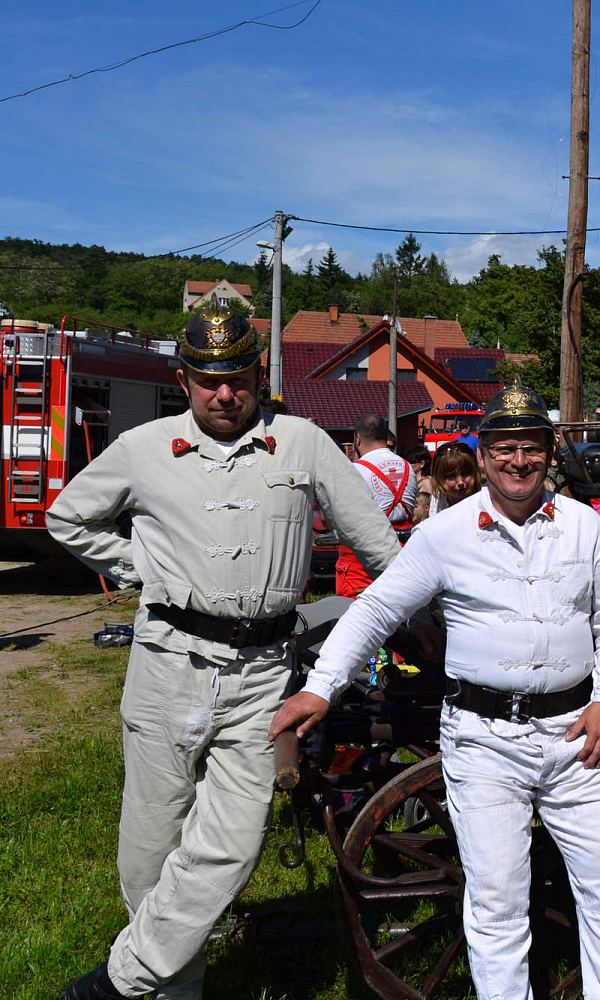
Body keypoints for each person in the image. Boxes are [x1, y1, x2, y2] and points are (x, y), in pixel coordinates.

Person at [48, 305, 402, 1000]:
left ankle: (116, 983)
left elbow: (381, 551)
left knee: (232, 846)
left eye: (237, 378)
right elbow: (67, 516)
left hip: (262, 676)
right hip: (165, 667)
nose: (224, 394)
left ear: (258, 375)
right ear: (183, 379)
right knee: (150, 854)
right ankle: (172, 990)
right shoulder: (145, 447)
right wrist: (137, 566)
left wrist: (424, 614)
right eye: (208, 380)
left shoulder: (301, 443)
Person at [272, 383, 600, 1000]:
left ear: (550, 453)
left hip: (576, 733)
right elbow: (374, 611)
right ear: (482, 457)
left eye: (531, 448)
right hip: (484, 740)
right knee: (496, 902)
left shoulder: (585, 529)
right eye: (504, 448)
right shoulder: (444, 535)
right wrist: (320, 689)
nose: (518, 461)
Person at [335, 415, 418, 598]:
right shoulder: (408, 468)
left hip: (362, 561)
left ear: (357, 438)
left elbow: (340, 517)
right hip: (401, 555)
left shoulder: (355, 471)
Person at [414, 440, 481, 523]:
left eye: (466, 474)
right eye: (451, 476)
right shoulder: (437, 504)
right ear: (439, 478)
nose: (460, 482)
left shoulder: (484, 503)